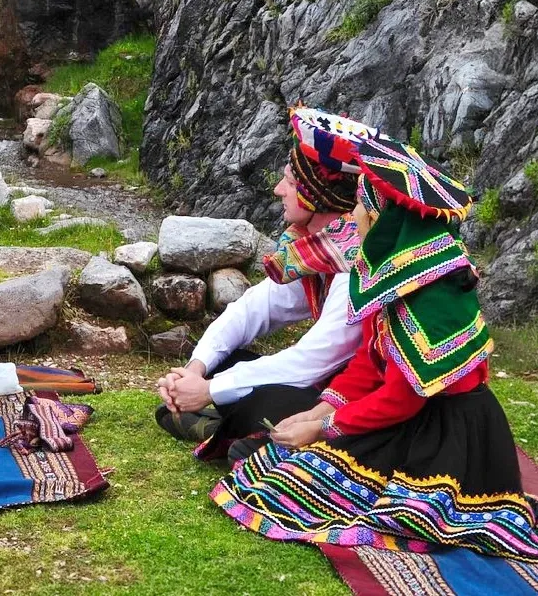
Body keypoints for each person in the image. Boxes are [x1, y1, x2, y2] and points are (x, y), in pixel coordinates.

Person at [212, 135, 538, 561]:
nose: (357, 217)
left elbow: (401, 400)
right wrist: (318, 411)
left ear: (384, 217)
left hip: (448, 433)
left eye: (363, 209)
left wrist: (322, 427)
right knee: (276, 465)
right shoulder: (395, 274)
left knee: (305, 486)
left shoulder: (432, 293)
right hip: (413, 418)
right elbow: (370, 360)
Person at [155, 108, 378, 462]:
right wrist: (197, 370)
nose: (278, 190)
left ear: (315, 192)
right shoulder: (319, 248)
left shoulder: (358, 264)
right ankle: (235, 429)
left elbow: (313, 360)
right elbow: (254, 308)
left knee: (255, 398)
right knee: (224, 365)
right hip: (323, 384)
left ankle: (236, 432)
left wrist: (209, 391)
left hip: (352, 398)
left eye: (289, 182)